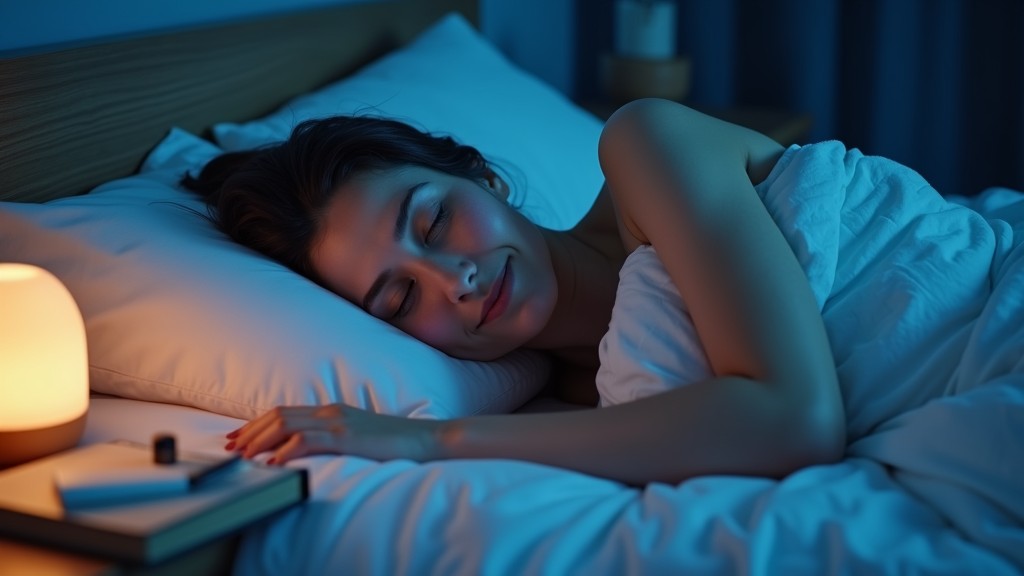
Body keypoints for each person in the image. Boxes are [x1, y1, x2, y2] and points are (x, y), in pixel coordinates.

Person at [182, 98, 845, 486]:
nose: (454, 281)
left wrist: (430, 441)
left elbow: (798, 421)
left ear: (483, 177)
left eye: (435, 219)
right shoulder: (562, 411)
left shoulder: (647, 146)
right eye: (400, 300)